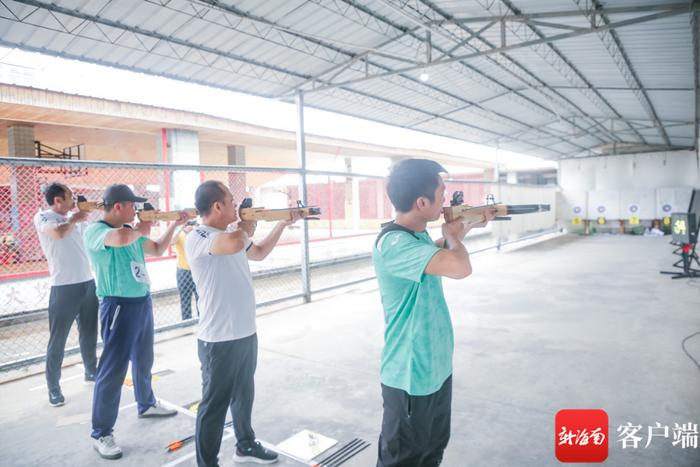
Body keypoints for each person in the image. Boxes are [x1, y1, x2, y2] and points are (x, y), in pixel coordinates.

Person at [372, 159, 496, 467]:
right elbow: (459, 266)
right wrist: (453, 234)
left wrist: (466, 225)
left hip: (434, 367)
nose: (445, 201)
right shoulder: (394, 243)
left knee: (431, 452)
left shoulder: (417, 236)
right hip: (410, 374)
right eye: (441, 194)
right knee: (402, 460)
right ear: (421, 202)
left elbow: (438, 252)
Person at [186, 180, 300, 466]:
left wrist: (282, 224)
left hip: (244, 332)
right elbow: (236, 242)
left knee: (243, 395)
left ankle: (245, 445)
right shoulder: (198, 235)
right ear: (217, 206)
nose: (236, 208)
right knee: (214, 405)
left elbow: (258, 252)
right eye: (232, 203)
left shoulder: (230, 233)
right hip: (218, 338)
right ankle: (207, 462)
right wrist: (248, 224)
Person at [84, 184, 189, 460]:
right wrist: (146, 224)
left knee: (144, 358)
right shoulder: (98, 231)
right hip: (117, 305)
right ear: (118, 206)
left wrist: (174, 226)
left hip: (141, 301)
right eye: (133, 205)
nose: (137, 210)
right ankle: (101, 432)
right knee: (113, 370)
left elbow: (156, 248)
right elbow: (120, 239)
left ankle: (146, 403)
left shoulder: (132, 232)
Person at [33, 182, 98, 407]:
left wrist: (81, 216)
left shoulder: (75, 218)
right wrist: (75, 219)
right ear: (58, 200)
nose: (74, 200)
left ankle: (91, 372)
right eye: (70, 196)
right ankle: (54, 388)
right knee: (57, 341)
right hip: (63, 287)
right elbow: (58, 234)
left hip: (87, 283)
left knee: (89, 334)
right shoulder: (44, 217)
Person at [172, 220, 199, 320]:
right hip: (183, 271)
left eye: (192, 225)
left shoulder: (196, 235)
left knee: (200, 298)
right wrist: (180, 228)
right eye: (188, 225)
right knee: (185, 299)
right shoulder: (180, 235)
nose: (190, 227)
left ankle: (201, 319)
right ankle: (186, 321)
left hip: (197, 271)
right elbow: (172, 241)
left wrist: (196, 229)